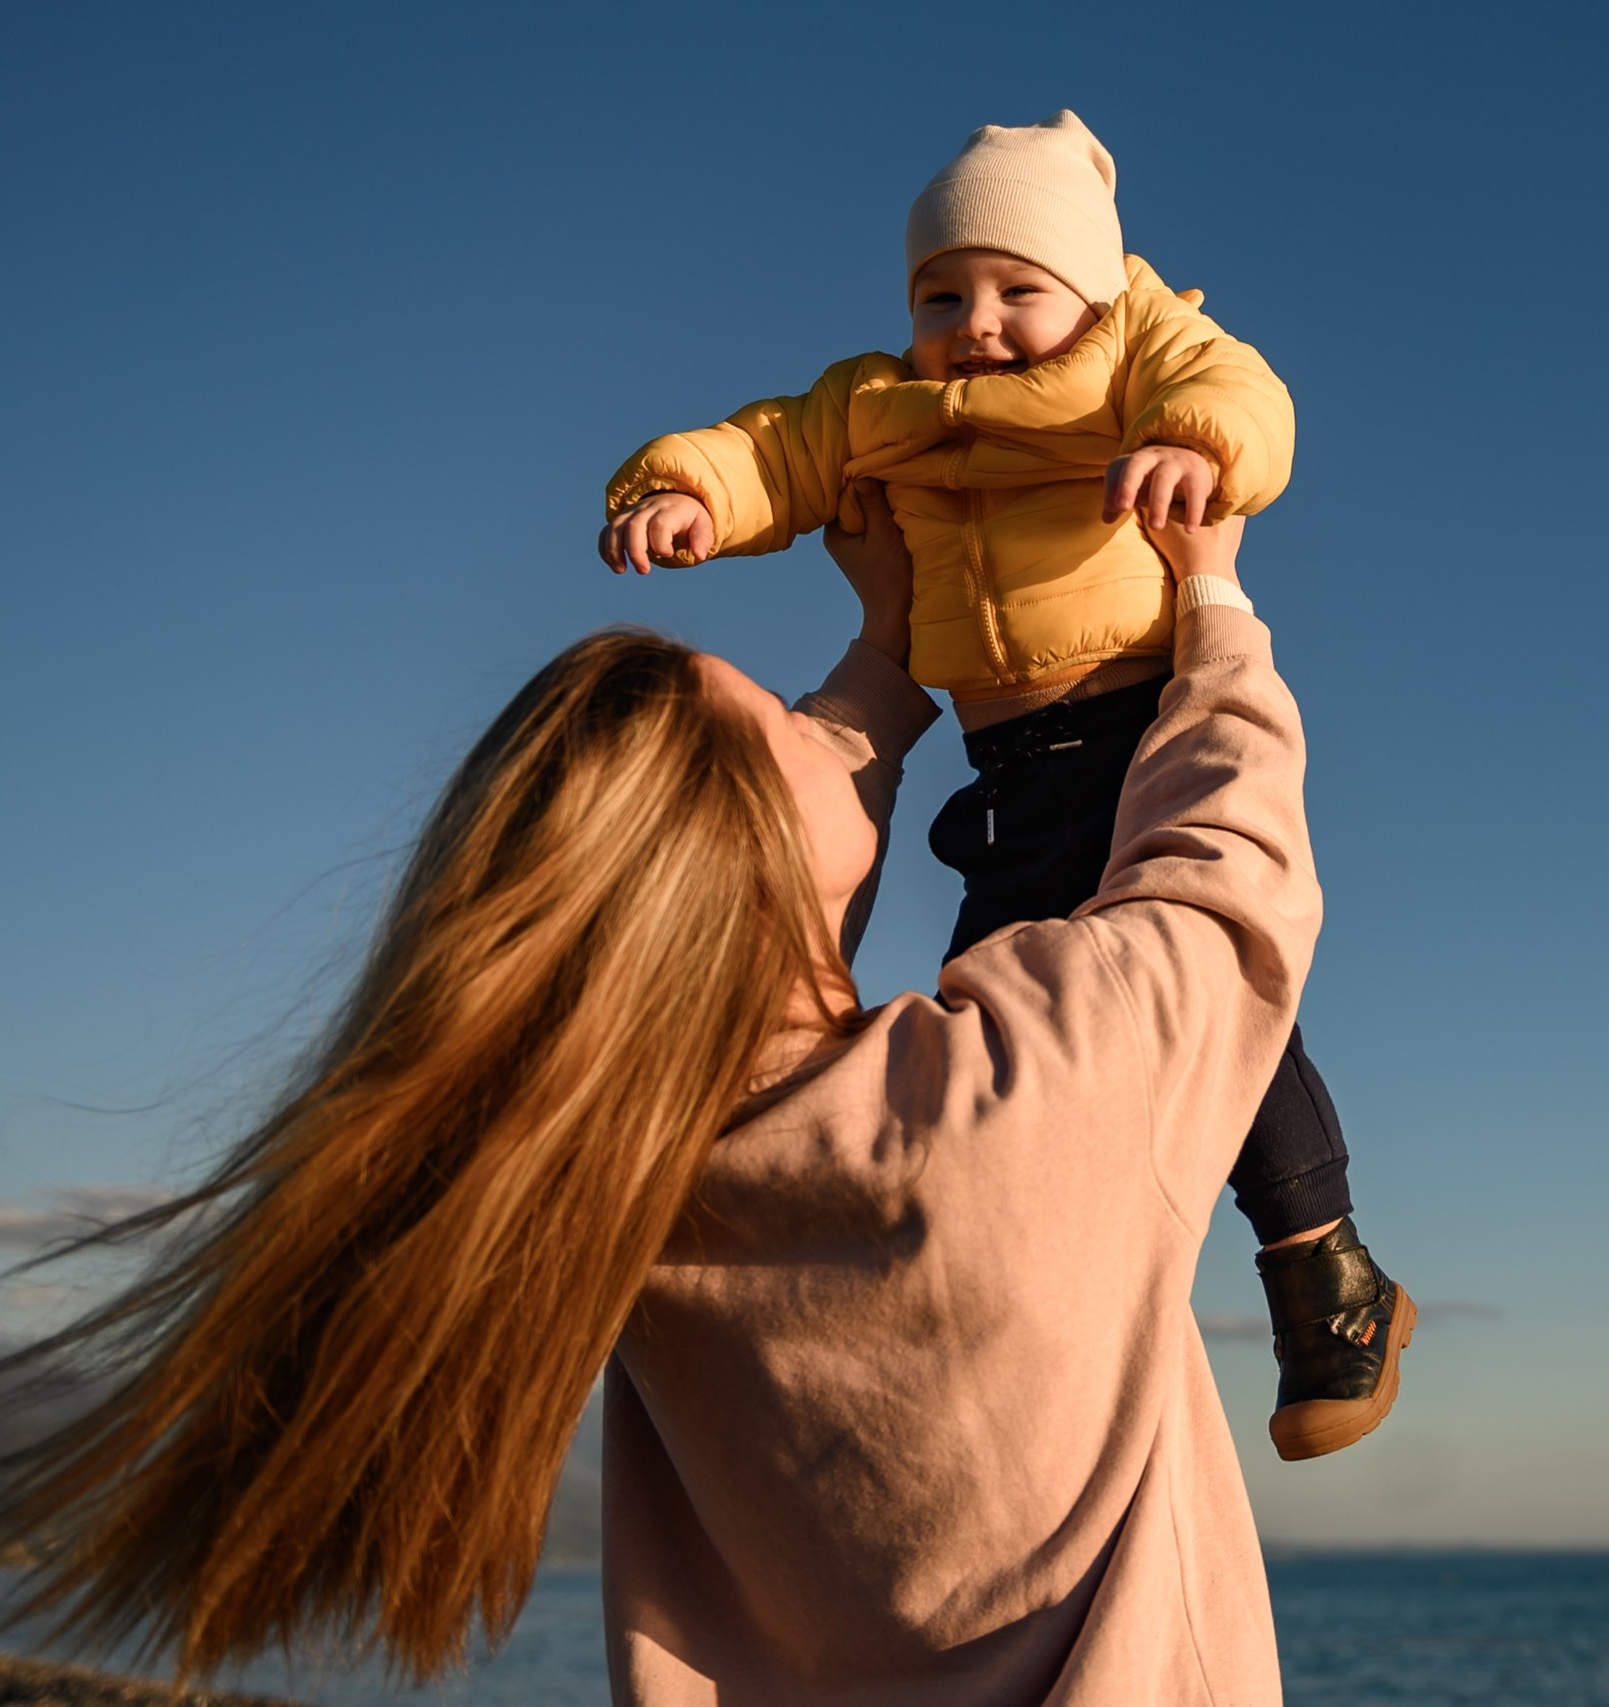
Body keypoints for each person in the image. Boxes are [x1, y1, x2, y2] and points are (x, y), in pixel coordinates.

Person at [0, 496, 1411, 1700]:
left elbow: (749, 975)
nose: (822, 720)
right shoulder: (1010, 1095)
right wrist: (1210, 591)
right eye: (786, 720)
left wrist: (887, 645)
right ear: (750, 869)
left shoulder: (627, 1194)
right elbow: (1223, 882)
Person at [600, 110, 1403, 1461]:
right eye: (941, 294)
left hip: (1142, 725)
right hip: (1008, 773)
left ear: (1091, 285)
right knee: (990, 1033)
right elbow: (766, 450)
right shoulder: (873, 407)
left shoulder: (1142, 349)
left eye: (1018, 290)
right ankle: (1015, 1310)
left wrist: (1198, 450)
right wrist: (680, 490)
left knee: (1208, 1006)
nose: (976, 322)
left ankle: (1324, 1269)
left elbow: (1247, 397)